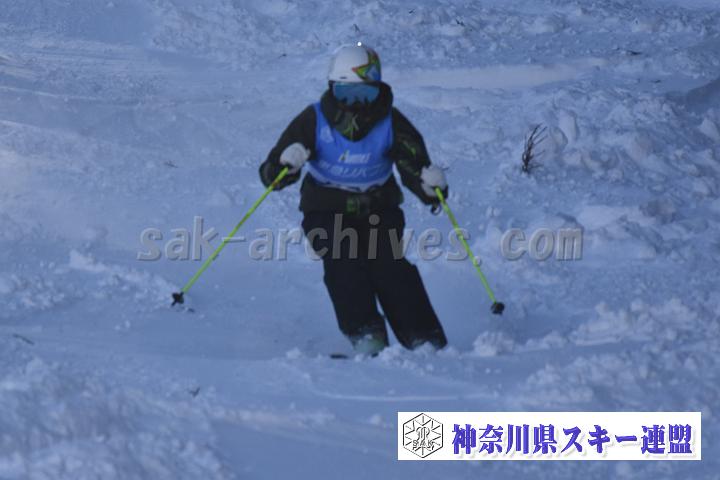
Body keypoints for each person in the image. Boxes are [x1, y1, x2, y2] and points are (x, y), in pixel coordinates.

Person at [260, 43, 448, 355]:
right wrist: (284, 165)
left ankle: (422, 337)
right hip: (325, 209)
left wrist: (430, 186)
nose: (356, 104)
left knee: (388, 265)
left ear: (379, 89)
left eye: (366, 94)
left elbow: (414, 165)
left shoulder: (391, 122)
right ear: (332, 88)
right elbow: (271, 174)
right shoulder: (314, 120)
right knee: (342, 259)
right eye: (346, 94)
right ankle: (366, 334)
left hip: (379, 207)